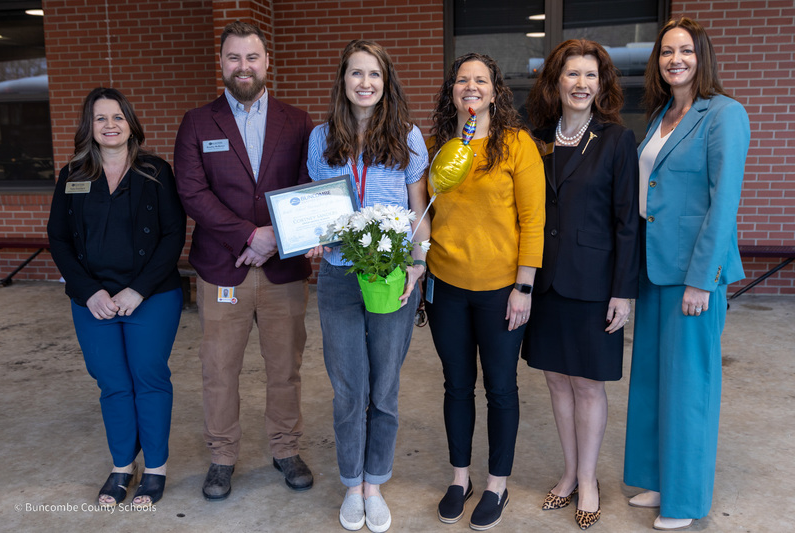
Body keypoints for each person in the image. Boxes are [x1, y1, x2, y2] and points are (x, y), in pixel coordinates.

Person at [173, 21, 315, 500]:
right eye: (233, 58)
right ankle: (221, 456)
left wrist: (274, 238)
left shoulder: (298, 122)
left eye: (251, 57)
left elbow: (305, 187)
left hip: (282, 268)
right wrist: (249, 235)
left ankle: (285, 447)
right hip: (222, 269)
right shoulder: (197, 122)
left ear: (267, 61)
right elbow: (192, 191)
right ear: (221, 63)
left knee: (284, 367)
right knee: (219, 369)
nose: (243, 67)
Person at [623, 17, 750, 531]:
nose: (675, 59)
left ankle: (685, 500)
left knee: (690, 389)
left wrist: (703, 277)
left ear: (702, 56)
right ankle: (660, 481)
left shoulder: (724, 114)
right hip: (654, 270)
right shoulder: (661, 115)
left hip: (691, 276)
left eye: (685, 50)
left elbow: (724, 204)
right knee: (654, 384)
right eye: (666, 51)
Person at [305, 39, 429, 533]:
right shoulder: (320, 138)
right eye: (356, 74)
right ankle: (351, 484)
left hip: (391, 276)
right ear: (343, 81)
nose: (365, 83)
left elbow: (419, 210)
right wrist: (313, 239)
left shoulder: (408, 136)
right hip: (337, 275)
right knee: (348, 389)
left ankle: (375, 483)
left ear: (386, 81)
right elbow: (315, 205)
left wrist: (418, 264)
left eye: (374, 74)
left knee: (385, 387)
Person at [47, 87, 186, 508]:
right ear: (89, 126)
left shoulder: (155, 172)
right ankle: (123, 466)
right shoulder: (72, 175)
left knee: (148, 377)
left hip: (151, 296)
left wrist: (137, 289)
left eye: (117, 117)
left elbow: (173, 235)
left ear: (131, 124)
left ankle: (157, 468)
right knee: (112, 383)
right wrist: (89, 292)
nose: (110, 125)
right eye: (100, 118)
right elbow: (58, 238)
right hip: (94, 302)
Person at [522, 39, 640, 530]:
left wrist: (624, 290)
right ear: (556, 81)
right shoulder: (536, 138)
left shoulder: (616, 139)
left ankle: (589, 479)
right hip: (544, 281)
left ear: (602, 84)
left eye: (591, 76)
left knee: (589, 385)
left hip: (594, 283)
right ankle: (568, 474)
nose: (581, 84)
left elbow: (627, 223)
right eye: (572, 74)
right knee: (555, 380)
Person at [425, 53, 545, 531]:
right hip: (445, 287)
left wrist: (524, 286)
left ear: (496, 91)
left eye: (481, 80)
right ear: (451, 90)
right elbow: (424, 214)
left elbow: (533, 221)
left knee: (500, 388)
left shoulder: (517, 145)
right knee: (456, 385)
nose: (470, 87)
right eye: (462, 80)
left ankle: (497, 482)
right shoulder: (436, 145)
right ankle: (460, 479)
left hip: (501, 291)